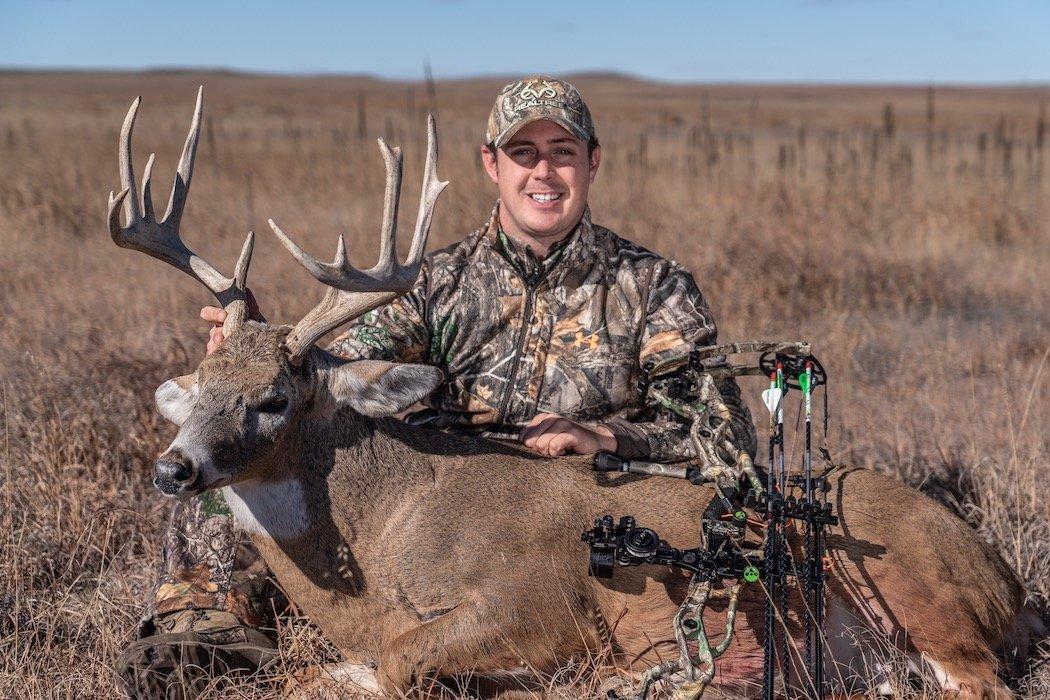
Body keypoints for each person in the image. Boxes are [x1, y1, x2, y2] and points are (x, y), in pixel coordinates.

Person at [117, 75, 757, 696]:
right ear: (491, 164)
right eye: (522, 152)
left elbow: (725, 434)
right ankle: (197, 638)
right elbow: (330, 374)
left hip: (571, 510)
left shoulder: (653, 286)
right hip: (436, 511)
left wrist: (603, 435)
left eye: (562, 153)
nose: (543, 172)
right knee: (223, 477)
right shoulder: (430, 283)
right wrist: (252, 354)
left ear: (593, 162)